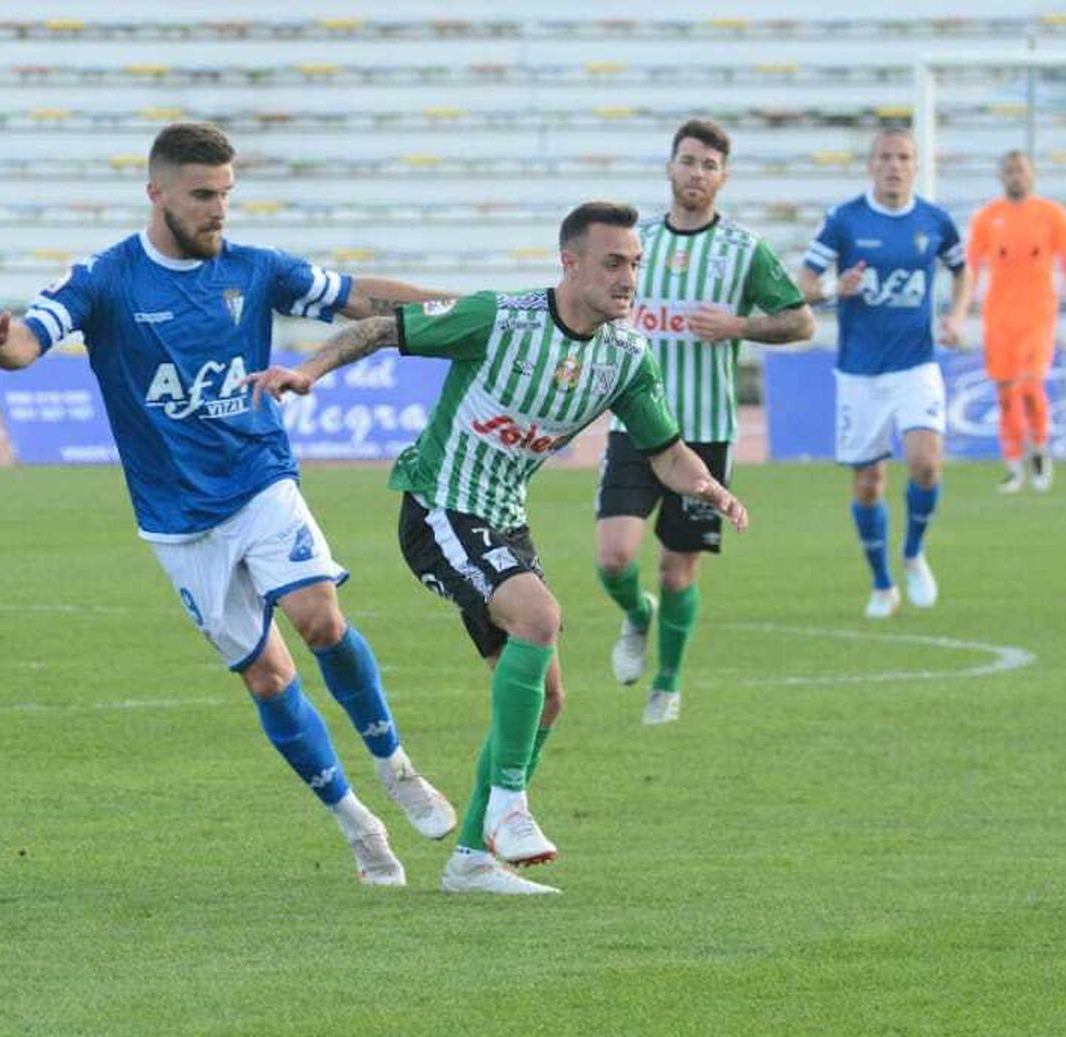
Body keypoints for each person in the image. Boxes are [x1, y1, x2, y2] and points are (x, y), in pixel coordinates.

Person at [0, 122, 457, 887]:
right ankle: (357, 823)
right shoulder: (105, 278)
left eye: (225, 193)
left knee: (319, 616)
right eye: (202, 195)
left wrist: (481, 306)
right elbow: (28, 342)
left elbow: (362, 296)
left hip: (258, 476)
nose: (218, 210)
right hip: (175, 518)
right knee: (267, 675)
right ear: (156, 192)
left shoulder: (256, 269)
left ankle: (397, 766)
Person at [244, 202, 749, 895]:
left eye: (634, 263)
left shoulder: (626, 356)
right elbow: (375, 327)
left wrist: (707, 486)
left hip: (503, 521)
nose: (628, 277)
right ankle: (509, 803)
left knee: (546, 699)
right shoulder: (501, 319)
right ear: (569, 262)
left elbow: (664, 451)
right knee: (539, 617)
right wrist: (309, 372)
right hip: (438, 506)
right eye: (612, 262)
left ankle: (470, 860)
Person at [595, 118, 814, 727]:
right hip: (636, 425)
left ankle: (667, 685)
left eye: (709, 165)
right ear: (669, 168)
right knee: (614, 557)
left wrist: (739, 327)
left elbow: (799, 321)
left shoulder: (743, 250)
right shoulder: (634, 244)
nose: (696, 174)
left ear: (723, 177)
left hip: (707, 432)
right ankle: (636, 617)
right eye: (687, 161)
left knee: (676, 567)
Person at [795, 126, 968, 620]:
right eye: (886, 157)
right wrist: (835, 287)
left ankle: (913, 552)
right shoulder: (845, 220)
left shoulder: (934, 221)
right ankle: (881, 581)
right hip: (860, 372)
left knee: (926, 462)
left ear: (916, 166)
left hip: (916, 362)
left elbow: (962, 268)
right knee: (869, 483)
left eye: (904, 157)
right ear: (871, 165)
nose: (895, 165)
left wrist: (955, 316)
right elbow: (802, 284)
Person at [944, 150, 1066, 493]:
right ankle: (1012, 465)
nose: (1015, 176)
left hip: (1039, 314)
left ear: (1032, 174)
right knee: (1006, 392)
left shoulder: (1052, 214)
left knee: (1030, 386)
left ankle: (1038, 450)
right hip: (1000, 317)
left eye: (1020, 170)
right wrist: (960, 314)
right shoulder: (987, 218)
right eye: (1009, 171)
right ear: (1001, 176)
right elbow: (971, 267)